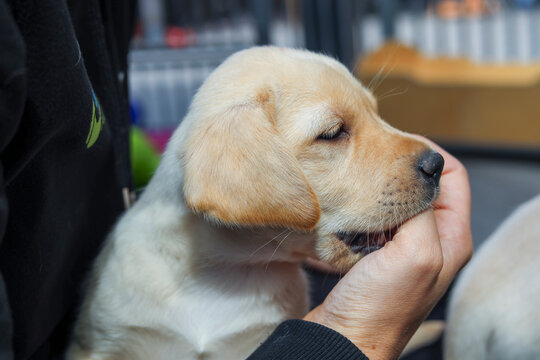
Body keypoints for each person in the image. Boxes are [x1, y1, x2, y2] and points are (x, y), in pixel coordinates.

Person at [0, 1, 473, 359]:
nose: (423, 157)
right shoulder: (123, 287)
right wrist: (359, 338)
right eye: (333, 133)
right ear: (247, 169)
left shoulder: (287, 282)